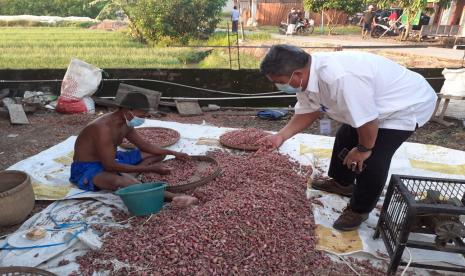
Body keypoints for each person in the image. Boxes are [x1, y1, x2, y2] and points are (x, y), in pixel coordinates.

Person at [258, 45, 437, 231]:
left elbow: (368, 121)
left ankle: (359, 209)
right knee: (345, 136)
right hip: (373, 106)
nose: (277, 86)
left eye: (279, 81)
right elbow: (308, 111)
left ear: (297, 74)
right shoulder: (306, 78)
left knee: (374, 158)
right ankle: (342, 183)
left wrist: (363, 149)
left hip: (405, 106)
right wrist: (280, 136)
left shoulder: (341, 78)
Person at [70, 92, 198, 208]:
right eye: (142, 114)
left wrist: (174, 153)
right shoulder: (103, 129)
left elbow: (144, 146)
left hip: (113, 157)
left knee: (157, 154)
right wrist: (150, 169)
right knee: (121, 181)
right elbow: (109, 165)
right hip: (88, 167)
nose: (144, 118)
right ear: (128, 110)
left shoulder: (126, 123)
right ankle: (175, 197)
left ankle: (131, 174)